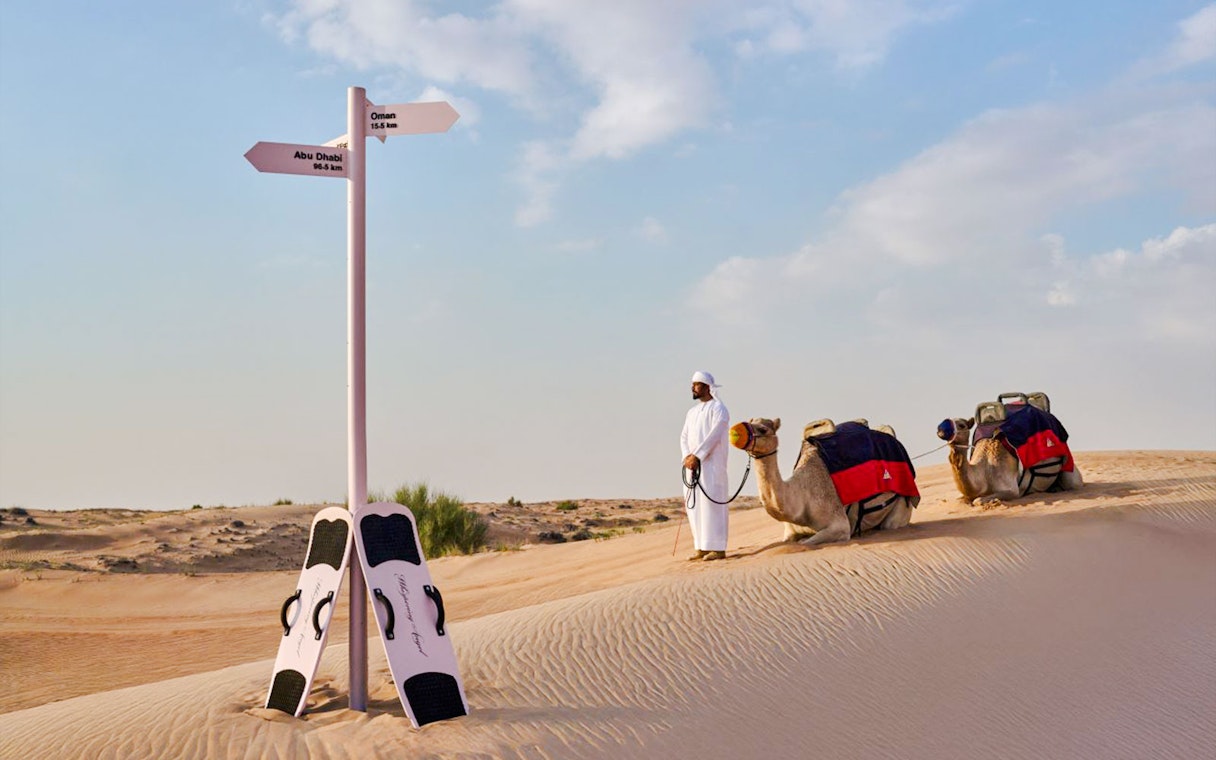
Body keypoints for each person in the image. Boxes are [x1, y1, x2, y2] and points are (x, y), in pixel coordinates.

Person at [680, 370, 730, 561]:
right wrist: (687, 456)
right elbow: (684, 436)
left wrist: (698, 455)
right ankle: (701, 547)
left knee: (711, 505)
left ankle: (717, 548)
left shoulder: (719, 409)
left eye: (696, 384)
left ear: (707, 387)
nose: (693, 388)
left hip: (712, 466)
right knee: (694, 506)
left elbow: (714, 436)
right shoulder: (691, 412)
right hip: (691, 467)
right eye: (692, 384)